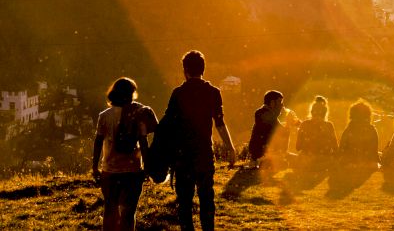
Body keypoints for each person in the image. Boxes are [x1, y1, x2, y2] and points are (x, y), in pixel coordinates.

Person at [164, 50, 235, 231]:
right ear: (203, 69)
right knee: (206, 199)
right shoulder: (213, 92)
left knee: (185, 202)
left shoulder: (178, 93)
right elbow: (219, 123)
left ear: (185, 70)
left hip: (182, 155)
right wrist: (231, 148)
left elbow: (168, 125)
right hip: (204, 153)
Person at [92, 77, 158, 231]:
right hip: (133, 171)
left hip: (109, 170)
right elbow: (143, 141)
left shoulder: (105, 115)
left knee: (110, 211)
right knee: (129, 213)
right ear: (131, 93)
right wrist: (147, 166)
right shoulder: (138, 112)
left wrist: (95, 166)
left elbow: (98, 142)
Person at [248, 90, 298, 170]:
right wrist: (289, 123)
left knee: (296, 159)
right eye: (280, 102)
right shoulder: (263, 114)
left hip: (266, 152)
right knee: (295, 161)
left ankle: (266, 162)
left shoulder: (267, 114)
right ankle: (265, 162)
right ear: (272, 103)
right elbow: (282, 133)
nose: (282, 105)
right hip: (263, 152)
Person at [295, 96, 338, 171]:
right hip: (324, 160)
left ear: (311, 112)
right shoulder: (329, 125)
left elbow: (298, 147)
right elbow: (335, 148)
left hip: (306, 160)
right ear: (325, 112)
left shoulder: (304, 124)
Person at [337, 100, 380, 169]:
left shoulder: (349, 129)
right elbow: (374, 151)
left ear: (352, 115)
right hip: (368, 163)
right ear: (368, 115)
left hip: (350, 163)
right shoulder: (372, 129)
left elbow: (342, 148)